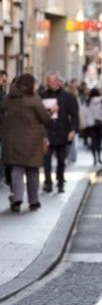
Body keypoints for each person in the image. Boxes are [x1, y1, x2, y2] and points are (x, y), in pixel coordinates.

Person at [1, 74, 52, 212]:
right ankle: (33, 201)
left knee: (17, 169)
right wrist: (50, 113)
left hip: (12, 140)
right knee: (32, 171)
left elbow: (1, 112)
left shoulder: (9, 97)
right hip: (32, 141)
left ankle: (17, 199)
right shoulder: (34, 98)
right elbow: (44, 118)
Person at [40, 73, 79, 193]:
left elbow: (74, 115)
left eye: (53, 81)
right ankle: (48, 182)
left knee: (61, 159)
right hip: (47, 132)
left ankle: (60, 181)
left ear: (58, 82)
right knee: (46, 158)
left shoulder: (67, 97)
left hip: (63, 132)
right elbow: (38, 114)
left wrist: (73, 130)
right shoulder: (42, 96)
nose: (51, 84)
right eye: (49, 81)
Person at [84, 88, 102, 165]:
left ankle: (94, 159)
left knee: (93, 142)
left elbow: (85, 114)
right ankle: (99, 158)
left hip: (91, 125)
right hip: (99, 124)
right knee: (99, 141)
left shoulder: (88, 102)